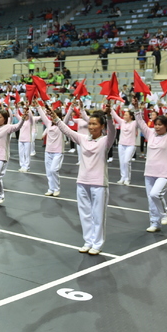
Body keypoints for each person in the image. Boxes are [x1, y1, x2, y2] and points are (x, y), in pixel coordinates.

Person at [47, 103, 115, 255]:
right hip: (82, 181)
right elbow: (67, 130)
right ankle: (88, 241)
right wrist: (56, 118)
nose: (91, 126)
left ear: (102, 126)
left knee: (98, 215)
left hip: (99, 183)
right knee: (85, 214)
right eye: (90, 123)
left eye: (94, 124)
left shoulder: (105, 141)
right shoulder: (83, 139)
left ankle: (97, 244)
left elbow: (113, 131)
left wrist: (109, 116)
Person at [132, 97, 167, 232]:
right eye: (156, 124)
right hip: (149, 172)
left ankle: (165, 213)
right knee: (151, 199)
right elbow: (140, 122)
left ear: (166, 126)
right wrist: (136, 109)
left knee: (155, 194)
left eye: (160, 125)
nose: (157, 127)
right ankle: (155, 223)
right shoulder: (150, 134)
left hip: (164, 173)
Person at [37, 103, 66, 196]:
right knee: (49, 172)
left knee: (53, 170)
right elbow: (42, 115)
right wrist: (37, 106)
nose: (52, 117)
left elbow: (68, 115)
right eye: (52, 115)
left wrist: (71, 107)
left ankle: (56, 188)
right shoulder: (49, 123)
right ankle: (51, 189)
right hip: (48, 151)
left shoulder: (61, 125)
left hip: (58, 152)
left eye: (54, 115)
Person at [111, 107, 138, 185]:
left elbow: (140, 119)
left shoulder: (135, 123)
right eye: (124, 115)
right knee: (122, 162)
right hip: (121, 144)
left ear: (131, 116)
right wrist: (110, 108)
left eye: (126, 115)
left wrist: (137, 109)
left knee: (126, 161)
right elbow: (115, 115)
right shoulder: (122, 122)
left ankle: (127, 179)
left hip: (131, 145)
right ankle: (122, 177)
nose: (124, 116)